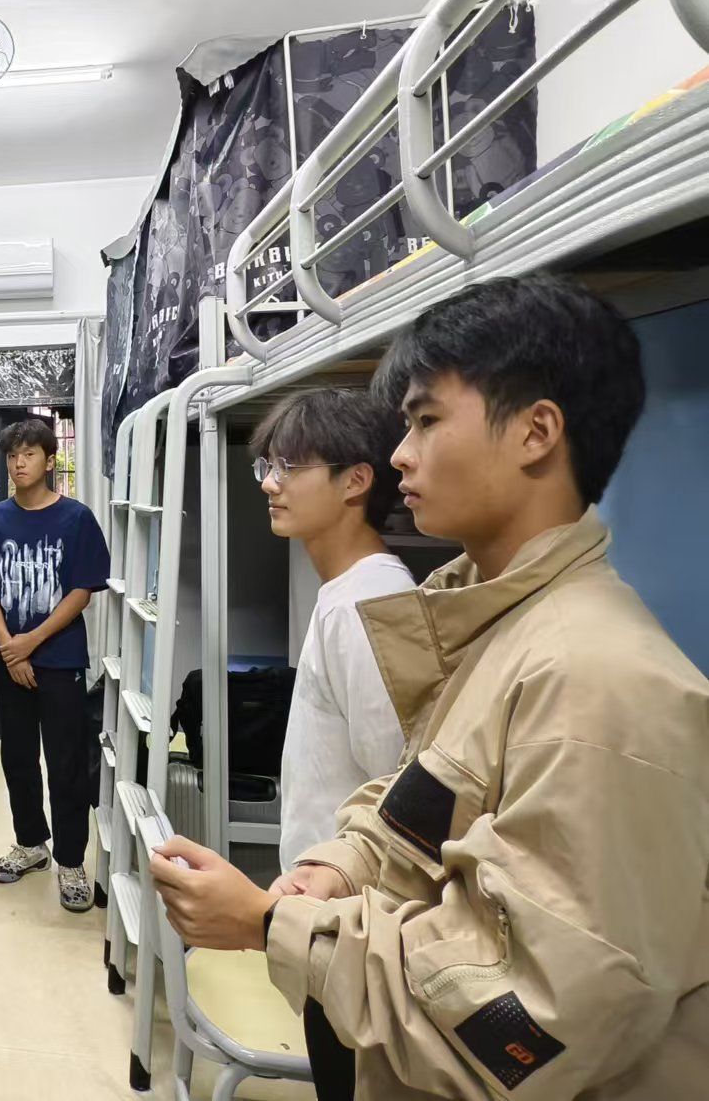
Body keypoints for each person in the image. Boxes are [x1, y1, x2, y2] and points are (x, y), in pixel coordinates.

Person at [148, 275, 709, 1101]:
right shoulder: (493, 628)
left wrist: (273, 923)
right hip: (372, 990)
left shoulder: (601, 683)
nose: (400, 455)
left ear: (536, 431)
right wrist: (339, 868)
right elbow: (422, 805)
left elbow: (529, 1018)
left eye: (427, 420)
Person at [251, 388, 412, 873]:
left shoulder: (368, 604)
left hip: (348, 894)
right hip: (322, 888)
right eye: (268, 467)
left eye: (289, 467)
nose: (270, 484)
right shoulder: (345, 593)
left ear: (355, 481)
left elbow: (396, 786)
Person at [0, 417, 111, 913]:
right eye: (12, 455)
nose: (18, 463)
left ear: (50, 461)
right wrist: (10, 648)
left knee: (66, 761)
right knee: (18, 758)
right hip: (8, 659)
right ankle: (31, 844)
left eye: (28, 454)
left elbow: (82, 592)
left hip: (60, 659)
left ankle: (71, 860)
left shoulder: (77, 519)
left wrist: (31, 642)